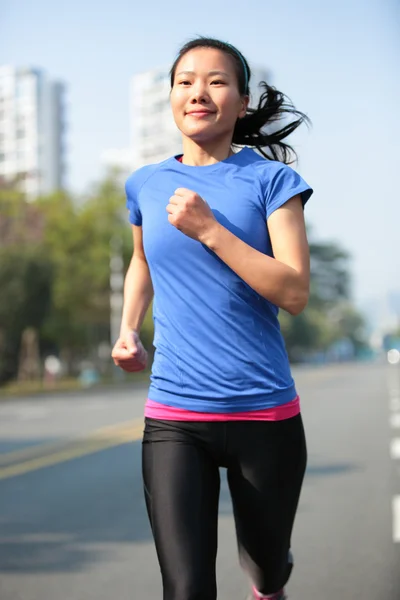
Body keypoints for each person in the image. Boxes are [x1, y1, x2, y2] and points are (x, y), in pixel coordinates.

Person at [112, 36, 313, 600]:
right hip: (175, 416)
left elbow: (294, 292)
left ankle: (270, 581)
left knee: (267, 566)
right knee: (185, 588)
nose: (198, 92)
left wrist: (212, 231)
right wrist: (127, 330)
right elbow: (141, 261)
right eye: (185, 81)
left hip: (265, 417)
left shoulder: (273, 183)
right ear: (171, 97)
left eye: (217, 81)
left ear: (243, 102)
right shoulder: (145, 184)